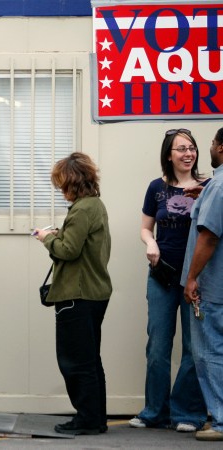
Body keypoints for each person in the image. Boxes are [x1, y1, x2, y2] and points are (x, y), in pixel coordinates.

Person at [129, 128, 208, 432]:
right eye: (181, 149)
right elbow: (146, 228)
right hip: (162, 275)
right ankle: (154, 411)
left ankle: (188, 413)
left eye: (192, 148)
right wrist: (150, 243)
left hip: (197, 278)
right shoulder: (156, 188)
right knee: (158, 346)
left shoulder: (209, 186)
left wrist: (199, 276)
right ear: (168, 155)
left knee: (193, 348)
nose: (188, 154)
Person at [33, 152, 111, 436]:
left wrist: (46, 237)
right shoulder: (96, 206)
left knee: (75, 361)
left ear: (73, 183)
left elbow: (68, 250)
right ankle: (95, 417)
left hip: (76, 295)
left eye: (62, 184)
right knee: (90, 360)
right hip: (95, 292)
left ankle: (88, 419)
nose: (60, 190)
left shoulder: (81, 210)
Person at [182, 127, 223, 442]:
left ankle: (221, 422)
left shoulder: (219, 184)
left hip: (213, 288)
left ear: (220, 148)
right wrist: (203, 197)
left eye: (210, 143)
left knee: (209, 353)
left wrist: (192, 277)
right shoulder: (215, 187)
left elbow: (208, 237)